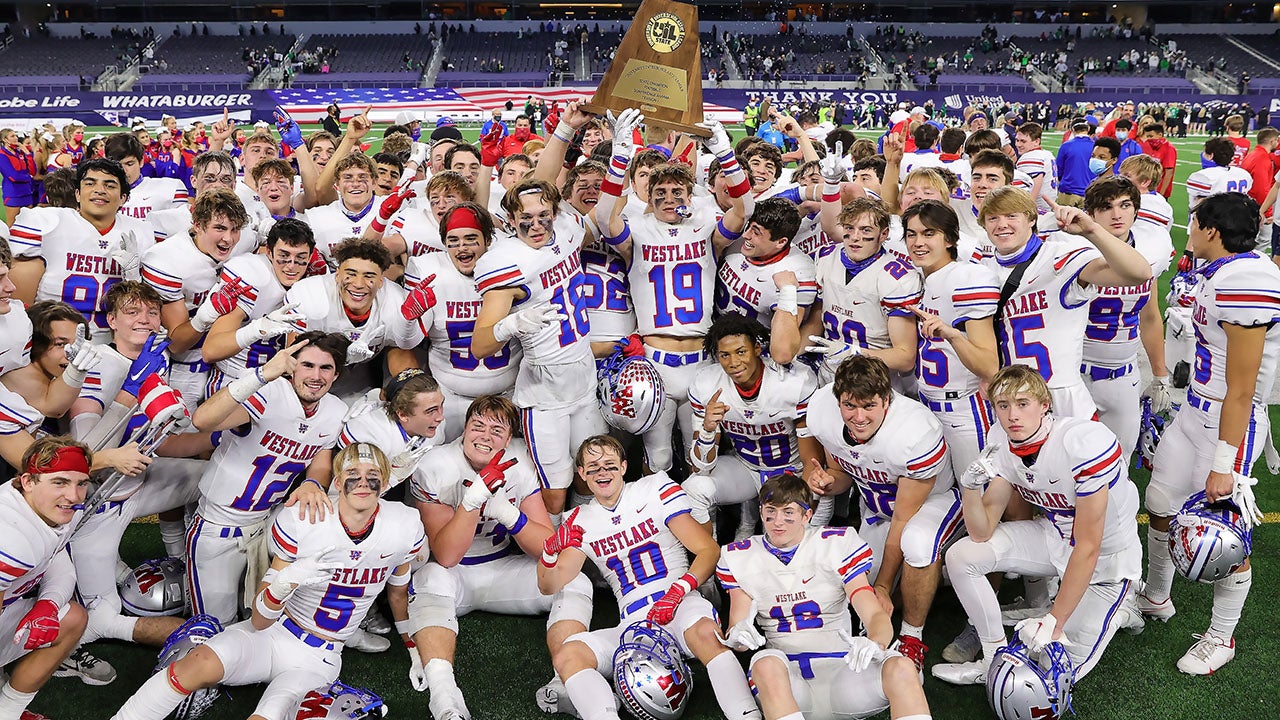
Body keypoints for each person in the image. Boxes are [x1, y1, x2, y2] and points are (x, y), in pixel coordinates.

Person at [109, 442, 425, 720]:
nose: (363, 483)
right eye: (353, 474)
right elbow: (260, 620)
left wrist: (412, 646)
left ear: (385, 482)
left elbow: (398, 593)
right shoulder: (306, 518)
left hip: (319, 658)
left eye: (373, 476)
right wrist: (285, 583)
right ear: (338, 481)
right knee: (196, 660)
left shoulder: (402, 525)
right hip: (274, 632)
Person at [932, 365, 1144, 686]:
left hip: (1106, 561)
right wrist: (970, 488)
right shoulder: (1000, 439)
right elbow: (981, 530)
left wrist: (1054, 622)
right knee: (962, 556)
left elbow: (1089, 546)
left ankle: (1122, 607)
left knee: (1047, 679)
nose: (1012, 415)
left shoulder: (1083, 441)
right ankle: (991, 659)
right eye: (1003, 406)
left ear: (1045, 405)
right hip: (1056, 536)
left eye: (1022, 403)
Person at [1140, 192, 1280, 674]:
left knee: (1222, 536)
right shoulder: (1218, 271)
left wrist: (1225, 463)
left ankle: (1222, 637)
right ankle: (1158, 596)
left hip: (1228, 420)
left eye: (1194, 224)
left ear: (1213, 231)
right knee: (1159, 503)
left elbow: (1241, 387)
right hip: (1192, 411)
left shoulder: (1248, 278)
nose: (1189, 230)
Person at [537, 435, 762, 720]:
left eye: (609, 465)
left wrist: (678, 592)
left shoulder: (653, 488)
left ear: (623, 466)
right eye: (592, 467)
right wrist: (549, 553)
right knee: (568, 655)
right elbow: (549, 585)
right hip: (632, 622)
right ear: (581, 474)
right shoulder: (580, 520)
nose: (602, 472)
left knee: (705, 632)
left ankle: (746, 715)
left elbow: (708, 549)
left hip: (680, 605)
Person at [406, 395, 592, 720]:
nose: (485, 436)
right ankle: (444, 695)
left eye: (496, 430)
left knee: (572, 577)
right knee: (427, 577)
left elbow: (548, 547)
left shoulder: (519, 461)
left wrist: (510, 514)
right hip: (456, 577)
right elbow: (447, 555)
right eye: (477, 426)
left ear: (509, 440)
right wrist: (474, 499)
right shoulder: (435, 465)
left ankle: (567, 678)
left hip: (503, 569)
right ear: (463, 429)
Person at [594, 111, 752, 476]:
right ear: (648, 196)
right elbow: (604, 216)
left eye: (676, 191)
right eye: (660, 192)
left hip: (701, 362)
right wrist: (621, 151)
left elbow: (745, 210)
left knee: (703, 460)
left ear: (689, 195)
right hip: (656, 362)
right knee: (660, 458)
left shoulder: (704, 228)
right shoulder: (638, 231)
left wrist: (725, 153)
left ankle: (704, 527)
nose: (668, 198)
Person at [718, 473, 933, 720]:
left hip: (844, 673)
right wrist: (737, 635)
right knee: (764, 662)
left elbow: (874, 613)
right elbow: (738, 628)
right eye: (770, 512)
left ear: (806, 516)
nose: (778, 521)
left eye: (788, 512)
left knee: (903, 666)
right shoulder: (741, 556)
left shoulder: (835, 544)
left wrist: (875, 642)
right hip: (788, 681)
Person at [185, 333, 352, 633]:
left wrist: (313, 483)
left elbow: (322, 457)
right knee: (214, 629)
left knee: (267, 617)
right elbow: (202, 421)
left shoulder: (335, 411)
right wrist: (261, 374)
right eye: (308, 365)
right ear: (290, 366)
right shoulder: (268, 392)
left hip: (266, 523)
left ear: (336, 374)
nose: (316, 376)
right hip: (218, 528)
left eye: (325, 368)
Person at [802, 355, 957, 671]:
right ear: (838, 400)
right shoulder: (823, 412)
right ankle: (933, 579)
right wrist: (827, 482)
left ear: (887, 400)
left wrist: (885, 584)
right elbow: (842, 470)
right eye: (849, 406)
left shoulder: (914, 433)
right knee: (860, 599)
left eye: (868, 406)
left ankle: (912, 639)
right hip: (875, 509)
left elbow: (903, 518)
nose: (858, 417)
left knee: (916, 543)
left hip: (930, 506)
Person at [471, 177, 602, 517]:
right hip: (545, 393)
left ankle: (585, 546)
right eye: (524, 218)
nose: (536, 224)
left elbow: (603, 214)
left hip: (585, 377)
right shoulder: (505, 263)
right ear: (511, 220)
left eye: (544, 214)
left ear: (556, 213)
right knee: (554, 493)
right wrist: (509, 324)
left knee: (590, 478)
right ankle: (552, 554)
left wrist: (618, 155)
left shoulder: (570, 230)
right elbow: (480, 345)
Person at [976, 186, 1153, 419]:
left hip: (1061, 398)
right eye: (993, 218)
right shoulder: (981, 270)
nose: (1002, 224)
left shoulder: (1059, 257)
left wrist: (1092, 230)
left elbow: (1139, 273)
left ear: (1031, 219)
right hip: (1009, 398)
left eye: (1011, 216)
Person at [684, 314, 822, 538]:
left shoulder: (792, 383)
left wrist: (804, 503)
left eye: (741, 352)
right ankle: (710, 561)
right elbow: (700, 468)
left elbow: (812, 461)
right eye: (724, 355)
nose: (733, 363)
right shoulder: (708, 384)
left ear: (757, 349)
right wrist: (708, 429)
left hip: (791, 472)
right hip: (746, 469)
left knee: (798, 533)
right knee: (694, 487)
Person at [1070, 176, 1174, 458]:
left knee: (1120, 457)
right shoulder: (1071, 251)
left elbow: (1150, 318)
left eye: (1125, 205)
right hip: (1073, 374)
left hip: (1122, 375)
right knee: (1067, 460)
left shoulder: (1150, 251)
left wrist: (1160, 375)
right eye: (1106, 207)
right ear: (1090, 213)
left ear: (1136, 209)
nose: (1117, 214)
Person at [401, 202, 519, 440]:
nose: (461, 247)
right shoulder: (428, 271)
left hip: (510, 394)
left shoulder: (512, 264)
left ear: (488, 239)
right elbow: (406, 342)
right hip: (449, 396)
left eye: (470, 239)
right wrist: (409, 318)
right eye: (452, 241)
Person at [9, 159, 156, 341]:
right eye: (90, 183)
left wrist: (134, 278)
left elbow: (150, 306)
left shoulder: (141, 232)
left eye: (110, 185)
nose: (99, 190)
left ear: (123, 198)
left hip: (114, 345)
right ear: (77, 194)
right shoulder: (48, 223)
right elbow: (15, 289)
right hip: (51, 342)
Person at [901, 200, 999, 472]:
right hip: (926, 406)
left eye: (929, 233)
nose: (918, 242)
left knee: (979, 496)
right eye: (912, 234)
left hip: (964, 410)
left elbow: (989, 365)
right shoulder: (918, 277)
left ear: (950, 239)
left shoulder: (967, 278)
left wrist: (953, 336)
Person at [0, 437, 93, 720]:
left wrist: (48, 606)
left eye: (82, 483)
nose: (74, 496)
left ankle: (8, 713)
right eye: (60, 482)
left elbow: (57, 560)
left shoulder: (44, 508)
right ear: (28, 481)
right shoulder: (11, 536)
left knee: (71, 617)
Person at [140, 189, 250, 412]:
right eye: (219, 228)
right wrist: (205, 316)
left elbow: (260, 239)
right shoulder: (167, 260)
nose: (229, 238)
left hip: (228, 360)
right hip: (183, 363)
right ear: (197, 225)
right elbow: (177, 344)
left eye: (235, 229)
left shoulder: (246, 239)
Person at [103, 133, 188, 221]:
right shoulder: (97, 193)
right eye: (117, 165)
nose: (123, 170)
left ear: (141, 161)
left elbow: (183, 228)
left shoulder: (169, 189)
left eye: (129, 164)